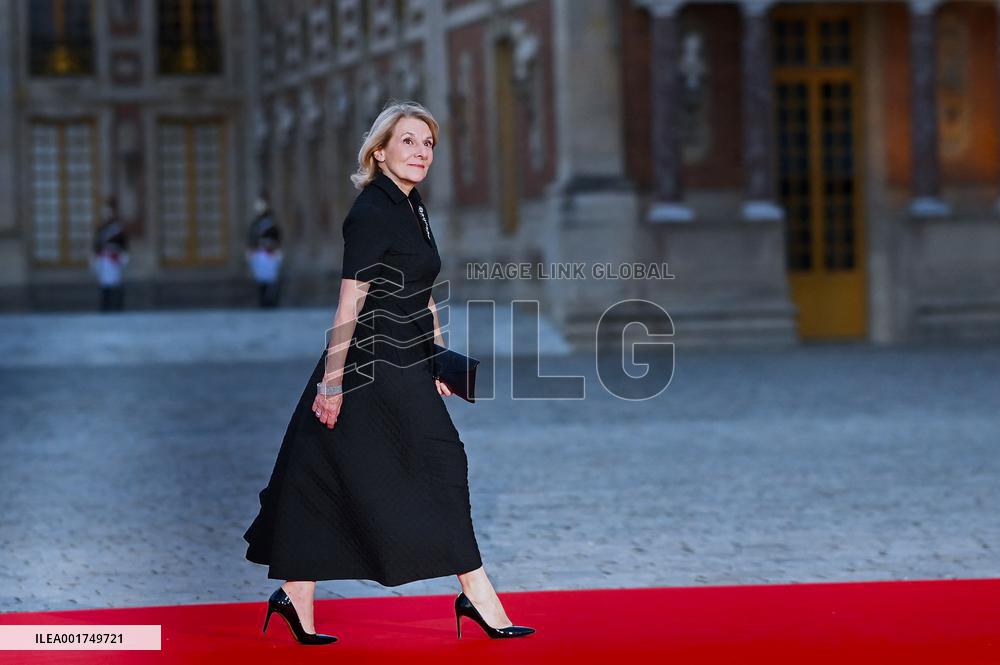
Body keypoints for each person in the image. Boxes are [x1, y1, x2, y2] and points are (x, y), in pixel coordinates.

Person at [243, 101, 535, 644]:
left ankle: (295, 593)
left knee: (320, 467)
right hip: (370, 363)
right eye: (408, 141)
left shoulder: (412, 206)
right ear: (379, 152)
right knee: (442, 460)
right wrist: (333, 383)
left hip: (407, 357)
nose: (421, 152)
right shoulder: (371, 211)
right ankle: (477, 595)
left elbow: (422, 293)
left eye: (428, 143)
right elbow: (349, 301)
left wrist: (439, 358)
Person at [90, 196, 129, 312]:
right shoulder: (101, 228)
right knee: (104, 283)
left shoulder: (118, 228)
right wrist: (95, 256)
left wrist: (124, 256)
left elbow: (124, 243)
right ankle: (105, 305)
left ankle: (118, 305)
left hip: (115, 258)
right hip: (105, 258)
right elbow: (97, 243)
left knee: (117, 282)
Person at [245, 193, 283, 308]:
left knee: (272, 279)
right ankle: (263, 301)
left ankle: (273, 301)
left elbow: (277, 237)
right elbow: (252, 238)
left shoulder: (271, 223)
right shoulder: (255, 223)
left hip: (270, 254)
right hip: (260, 254)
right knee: (261, 279)